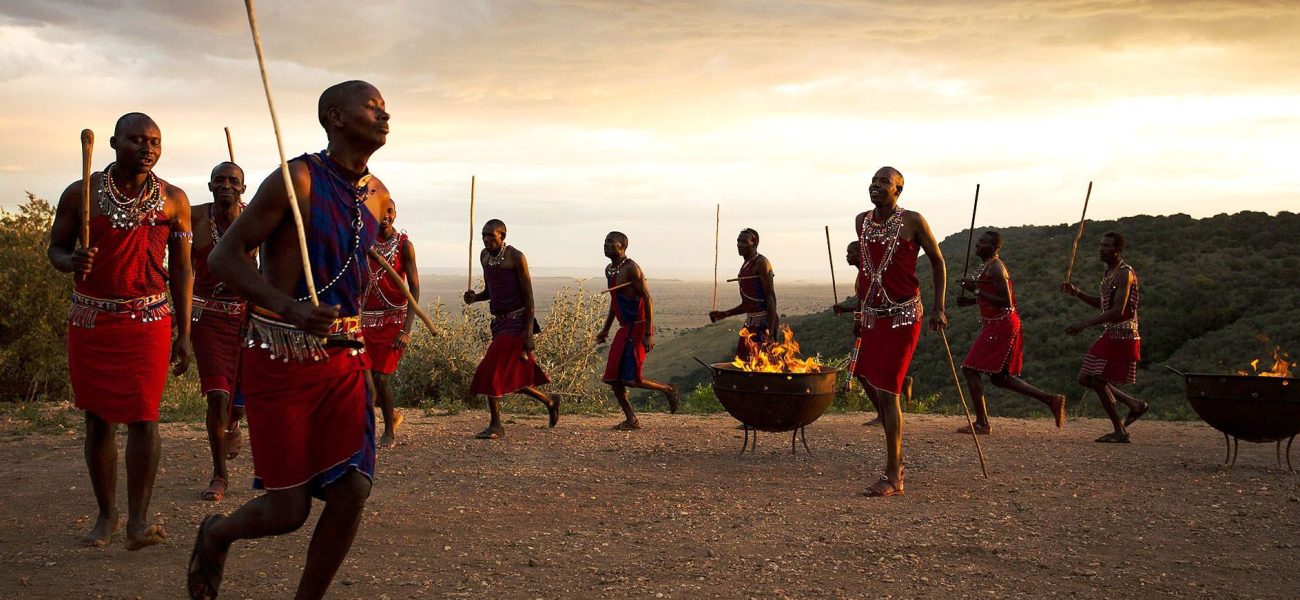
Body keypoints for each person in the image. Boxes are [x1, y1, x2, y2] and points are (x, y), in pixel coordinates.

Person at [188, 80, 388, 600]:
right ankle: (217, 533)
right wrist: (291, 308)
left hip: (345, 358)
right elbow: (222, 258)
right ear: (335, 117)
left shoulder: (379, 194)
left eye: (386, 109)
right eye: (373, 107)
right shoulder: (295, 179)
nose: (385, 116)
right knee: (287, 511)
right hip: (281, 355)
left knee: (352, 490)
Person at [48, 112, 192, 548]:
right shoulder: (81, 193)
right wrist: (70, 261)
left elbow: (183, 271)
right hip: (92, 320)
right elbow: (55, 248)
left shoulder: (174, 200)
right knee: (97, 422)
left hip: (148, 320)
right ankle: (107, 515)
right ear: (113, 143)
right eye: (136, 140)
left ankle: (138, 521)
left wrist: (184, 333)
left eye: (154, 141)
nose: (147, 149)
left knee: (145, 418)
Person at [848, 166, 946, 497]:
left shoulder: (913, 221)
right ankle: (897, 464)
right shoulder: (862, 221)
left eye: (884, 182)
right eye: (873, 181)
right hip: (875, 316)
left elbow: (937, 261)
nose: (875, 186)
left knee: (888, 391)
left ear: (898, 190)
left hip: (905, 316)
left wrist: (939, 308)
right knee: (876, 382)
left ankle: (893, 475)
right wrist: (860, 311)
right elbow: (865, 271)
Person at [955, 231, 1066, 434]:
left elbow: (1006, 301)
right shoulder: (989, 266)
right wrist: (971, 301)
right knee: (1000, 378)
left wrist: (976, 291)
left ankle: (982, 423)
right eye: (978, 242)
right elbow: (993, 297)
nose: (978, 245)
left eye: (983, 243)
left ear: (995, 247)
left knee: (969, 368)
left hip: (1001, 325)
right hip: (998, 324)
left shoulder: (997, 268)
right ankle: (1051, 400)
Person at [191, 161, 255, 502]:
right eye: (220, 180)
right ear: (210, 185)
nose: (226, 184)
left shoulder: (255, 218)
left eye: (234, 180)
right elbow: (183, 269)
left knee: (239, 402)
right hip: (208, 319)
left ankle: (234, 424)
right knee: (217, 396)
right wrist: (179, 325)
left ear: (243, 188)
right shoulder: (195, 218)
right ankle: (219, 474)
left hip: (246, 317)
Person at [463, 219, 559, 439]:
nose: (486, 239)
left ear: (502, 237)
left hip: (517, 323)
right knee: (509, 376)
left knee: (490, 369)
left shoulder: (516, 257)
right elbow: (491, 290)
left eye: (491, 236)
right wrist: (475, 297)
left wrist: (528, 334)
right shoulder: (484, 257)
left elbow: (529, 297)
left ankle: (496, 425)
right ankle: (550, 401)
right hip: (499, 323)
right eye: (483, 235)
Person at [1061, 232, 1147, 443]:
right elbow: (1103, 304)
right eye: (1100, 245)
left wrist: (1084, 324)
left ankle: (1120, 430)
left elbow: (1118, 311)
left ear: (1118, 250)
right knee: (1086, 378)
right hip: (1113, 332)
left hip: (1123, 332)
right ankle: (1134, 405)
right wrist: (1077, 293)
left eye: (1106, 246)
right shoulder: (1111, 272)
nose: (1101, 249)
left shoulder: (1124, 274)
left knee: (1097, 380)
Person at [595, 231, 679, 430]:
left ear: (622, 246)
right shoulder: (609, 270)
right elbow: (614, 302)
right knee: (613, 378)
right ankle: (631, 419)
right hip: (624, 329)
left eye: (610, 242)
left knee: (631, 379)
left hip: (639, 328)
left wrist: (648, 333)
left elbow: (647, 298)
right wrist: (605, 330)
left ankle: (667, 389)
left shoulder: (632, 268)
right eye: (604, 242)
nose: (606, 245)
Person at [361, 198, 419, 449]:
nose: (385, 216)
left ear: (395, 214)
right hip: (366, 321)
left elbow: (414, 289)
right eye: (380, 211)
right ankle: (392, 415)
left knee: (381, 377)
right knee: (364, 380)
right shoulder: (363, 242)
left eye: (390, 211)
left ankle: (388, 432)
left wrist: (406, 330)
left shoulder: (404, 245)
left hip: (394, 320)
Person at [833, 240, 911, 426]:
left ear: (861, 254)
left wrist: (857, 321)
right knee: (871, 370)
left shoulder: (867, 275)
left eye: (850, 252)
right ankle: (901, 383)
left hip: (874, 325)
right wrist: (845, 309)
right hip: (873, 323)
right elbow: (865, 302)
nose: (847, 256)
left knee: (861, 371)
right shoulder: (866, 274)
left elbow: (868, 303)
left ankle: (883, 414)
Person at [708, 228, 778, 359]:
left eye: (744, 241)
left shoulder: (761, 262)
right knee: (742, 364)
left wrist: (769, 329)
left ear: (755, 243)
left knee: (761, 366)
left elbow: (771, 297)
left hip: (763, 324)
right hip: (750, 324)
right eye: (738, 241)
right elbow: (749, 304)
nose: (739, 245)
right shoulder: (746, 265)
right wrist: (724, 314)